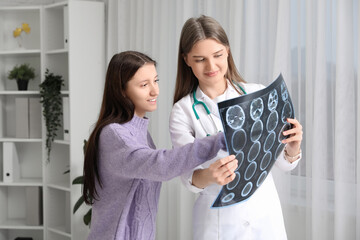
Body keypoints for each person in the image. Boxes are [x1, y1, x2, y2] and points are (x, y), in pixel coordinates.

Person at [169, 15, 303, 239]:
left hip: (265, 215)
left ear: (228, 51)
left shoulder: (255, 93)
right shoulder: (183, 111)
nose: (211, 66)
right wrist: (211, 176)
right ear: (186, 60)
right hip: (219, 221)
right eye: (200, 59)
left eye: (218, 55)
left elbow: (282, 163)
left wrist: (293, 147)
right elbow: (188, 177)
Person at [83, 51, 237, 240]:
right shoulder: (115, 135)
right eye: (144, 85)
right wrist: (223, 138)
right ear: (122, 90)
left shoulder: (141, 134)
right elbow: (161, 165)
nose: (155, 91)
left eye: (156, 81)